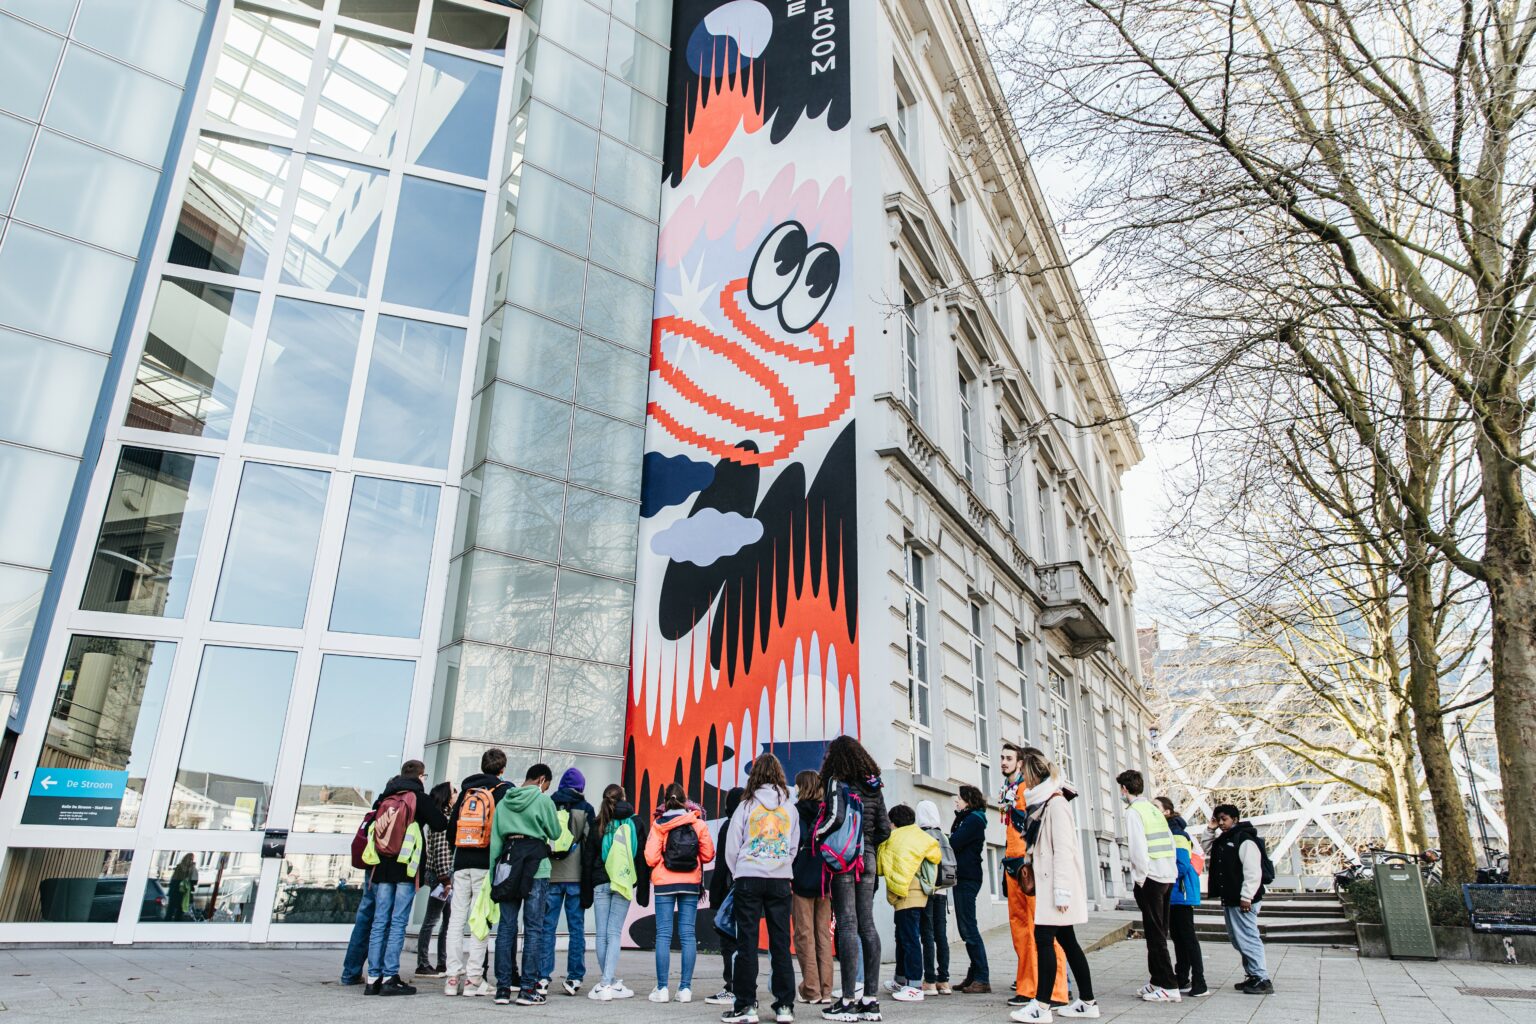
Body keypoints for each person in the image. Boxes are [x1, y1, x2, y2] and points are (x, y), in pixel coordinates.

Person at [1011, 749, 1098, 1023]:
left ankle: (1042, 1006)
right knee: (1068, 942)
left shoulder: (1056, 804)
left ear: (1033, 775)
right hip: (1051, 884)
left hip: (1057, 887)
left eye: (1024, 775)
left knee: (1044, 940)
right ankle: (1087, 1002)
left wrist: (1062, 891)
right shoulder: (1043, 803)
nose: (1023, 781)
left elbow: (1063, 850)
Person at [817, 735, 892, 1024]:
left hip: (845, 858)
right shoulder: (874, 786)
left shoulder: (837, 782)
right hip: (868, 857)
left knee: (847, 924)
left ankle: (847, 1001)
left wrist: (818, 836)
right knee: (867, 925)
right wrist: (868, 842)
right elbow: (885, 828)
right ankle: (870, 1001)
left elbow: (835, 819)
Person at [721, 753, 800, 1024]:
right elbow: (793, 846)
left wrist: (740, 871)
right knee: (781, 943)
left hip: (749, 877)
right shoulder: (790, 808)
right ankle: (785, 1006)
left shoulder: (746, 806)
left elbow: (732, 846)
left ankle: (746, 1006)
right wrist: (781, 865)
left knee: (747, 943)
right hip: (780, 879)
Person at [363, 759, 450, 996]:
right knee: (398, 921)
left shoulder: (385, 797)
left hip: (381, 867)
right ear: (421, 776)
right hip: (406, 866)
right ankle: (390, 977)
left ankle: (373, 978)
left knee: (380, 921)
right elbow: (440, 823)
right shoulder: (418, 797)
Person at [1000, 743, 1067, 1010]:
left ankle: (1056, 990)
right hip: (1013, 863)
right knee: (1020, 930)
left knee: (1044, 930)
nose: (1003, 762)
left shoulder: (1031, 790)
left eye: (1009, 758)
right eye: (1002, 758)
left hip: (1029, 864)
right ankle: (1028, 986)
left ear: (1021, 763)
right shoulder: (1011, 789)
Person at [489, 762, 561, 1006]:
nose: (546, 789)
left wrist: (494, 876)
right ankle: (528, 989)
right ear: (542, 779)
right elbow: (555, 832)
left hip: (508, 864)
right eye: (546, 785)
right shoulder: (543, 801)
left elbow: (496, 841)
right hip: (536, 866)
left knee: (506, 927)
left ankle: (502, 988)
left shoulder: (504, 802)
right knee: (534, 928)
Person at [444, 748, 512, 997]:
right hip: (485, 862)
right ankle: (474, 978)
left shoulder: (466, 791)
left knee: (456, 919)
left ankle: (452, 978)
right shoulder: (503, 791)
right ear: (502, 769)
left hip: (461, 861)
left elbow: (451, 831)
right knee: (480, 919)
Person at [645, 781, 716, 1003]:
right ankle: (685, 989)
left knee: (663, 935)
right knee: (688, 935)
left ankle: (662, 989)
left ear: (665, 802)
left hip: (664, 884)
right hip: (690, 884)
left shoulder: (659, 825)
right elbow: (708, 855)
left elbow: (650, 858)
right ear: (685, 802)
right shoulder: (698, 823)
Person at [1117, 769, 1179, 1003]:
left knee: (1155, 934)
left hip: (1151, 877)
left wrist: (1140, 878)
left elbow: (1138, 848)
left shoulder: (1134, 812)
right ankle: (1157, 981)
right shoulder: (1153, 809)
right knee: (1159, 930)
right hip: (1166, 875)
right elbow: (1170, 842)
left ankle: (1169, 986)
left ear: (1124, 789)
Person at [583, 783, 643, 1001]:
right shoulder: (635, 822)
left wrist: (585, 889)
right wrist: (642, 887)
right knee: (614, 933)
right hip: (622, 881)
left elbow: (587, 859)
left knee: (602, 935)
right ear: (624, 797)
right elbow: (640, 857)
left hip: (600, 881)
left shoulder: (598, 823)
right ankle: (607, 983)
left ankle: (607, 981)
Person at [1206, 804, 1273, 995]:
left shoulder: (1244, 839)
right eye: (1218, 819)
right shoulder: (1224, 839)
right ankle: (1253, 975)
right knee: (1238, 939)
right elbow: (1206, 848)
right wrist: (1210, 829)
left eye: (1224, 819)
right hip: (1231, 896)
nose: (1221, 823)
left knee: (1248, 938)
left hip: (1243, 898)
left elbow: (1253, 871)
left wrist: (1246, 897)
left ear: (1235, 819)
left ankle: (1261, 978)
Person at [878, 804, 941, 1004]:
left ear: (893, 823)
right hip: (920, 893)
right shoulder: (921, 835)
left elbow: (879, 867)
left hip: (905, 894)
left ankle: (914, 986)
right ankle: (901, 980)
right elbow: (936, 855)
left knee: (909, 939)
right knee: (904, 937)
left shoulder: (893, 838)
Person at [544, 767, 595, 996]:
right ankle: (574, 977)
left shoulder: (549, 804)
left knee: (547, 927)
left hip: (551, 874)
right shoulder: (585, 808)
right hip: (576, 876)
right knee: (576, 928)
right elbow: (590, 842)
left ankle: (542, 976)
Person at [1154, 796, 1207, 997]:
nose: (1153, 810)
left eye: (1156, 807)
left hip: (1181, 891)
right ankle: (1182, 978)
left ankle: (1200, 982)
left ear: (1167, 811)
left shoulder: (1177, 833)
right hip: (1175, 891)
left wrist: (1162, 875)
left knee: (1187, 937)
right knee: (1178, 937)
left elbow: (1182, 865)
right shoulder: (1168, 831)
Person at [791, 770, 834, 1005]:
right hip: (825, 878)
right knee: (823, 934)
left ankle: (811, 989)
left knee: (804, 934)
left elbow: (793, 845)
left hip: (802, 878)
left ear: (802, 787)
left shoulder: (796, 812)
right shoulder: (828, 812)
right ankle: (826, 990)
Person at [707, 787, 747, 1007]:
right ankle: (743, 985)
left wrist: (715, 895)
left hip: (730, 890)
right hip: (749, 887)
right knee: (744, 939)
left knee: (728, 941)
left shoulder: (728, 826)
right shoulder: (750, 824)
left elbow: (722, 864)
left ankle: (731, 987)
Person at [949, 786, 990, 992]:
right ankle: (974, 974)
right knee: (966, 927)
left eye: (959, 797)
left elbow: (954, 842)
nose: (956, 800)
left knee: (968, 928)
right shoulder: (967, 818)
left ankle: (982, 977)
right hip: (964, 876)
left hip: (967, 877)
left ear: (968, 800)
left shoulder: (973, 820)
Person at [416, 781, 456, 977]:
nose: (456, 795)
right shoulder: (442, 820)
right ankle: (423, 963)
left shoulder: (442, 818)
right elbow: (441, 852)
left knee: (448, 920)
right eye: (454, 792)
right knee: (432, 919)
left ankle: (442, 961)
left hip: (442, 876)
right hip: (442, 876)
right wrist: (445, 879)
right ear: (446, 797)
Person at [914, 800, 954, 994]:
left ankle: (929, 980)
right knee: (941, 935)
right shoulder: (943, 836)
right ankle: (944, 980)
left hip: (927, 890)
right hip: (943, 891)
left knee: (927, 934)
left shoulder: (921, 836)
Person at [168, 854, 197, 922]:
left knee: (179, 913)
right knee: (170, 912)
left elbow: (194, 881)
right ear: (186, 858)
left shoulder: (193, 869)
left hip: (184, 894)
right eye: (189, 859)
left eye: (192, 859)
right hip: (176, 892)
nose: (190, 861)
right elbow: (174, 879)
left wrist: (192, 870)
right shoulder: (179, 867)